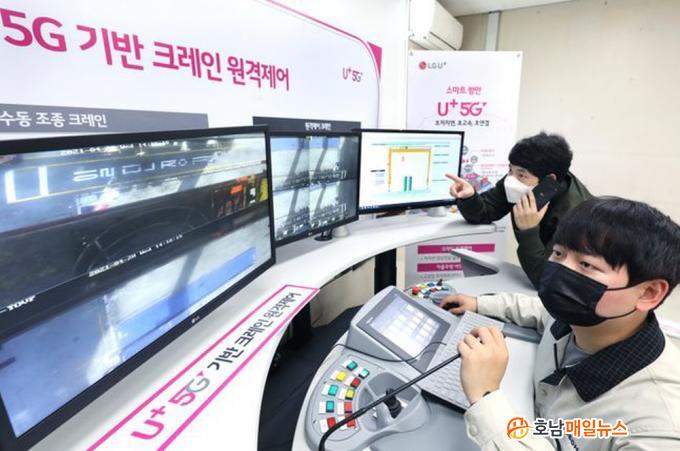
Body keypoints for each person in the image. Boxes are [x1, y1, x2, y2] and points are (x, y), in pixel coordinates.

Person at [442, 197, 680, 450]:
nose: (560, 271)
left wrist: (486, 395)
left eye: (586, 264)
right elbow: (538, 310)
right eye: (558, 253)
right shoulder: (574, 321)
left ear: (648, 293)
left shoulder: (658, 427)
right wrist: (480, 303)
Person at [447, 132, 592, 288]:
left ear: (549, 180)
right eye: (510, 170)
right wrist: (469, 197)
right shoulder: (518, 180)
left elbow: (547, 281)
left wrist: (528, 231)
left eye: (521, 174)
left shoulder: (576, 217)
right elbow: (486, 212)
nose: (511, 179)